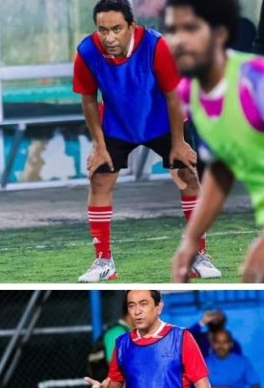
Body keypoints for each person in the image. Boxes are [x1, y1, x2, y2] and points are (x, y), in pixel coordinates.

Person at [74, 0, 221, 283]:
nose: (109, 37)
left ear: (132, 26)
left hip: (162, 121)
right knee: (100, 181)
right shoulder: (87, 51)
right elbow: (88, 99)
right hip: (116, 124)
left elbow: (173, 95)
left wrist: (178, 142)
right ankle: (104, 262)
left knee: (188, 176)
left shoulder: (157, 46)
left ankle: (197, 256)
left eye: (116, 29)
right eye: (103, 30)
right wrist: (99, 146)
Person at [167, 0, 264, 283]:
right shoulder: (190, 93)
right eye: (172, 30)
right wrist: (190, 241)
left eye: (190, 28)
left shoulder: (257, 81)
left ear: (220, 34)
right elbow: (221, 170)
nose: (178, 40)